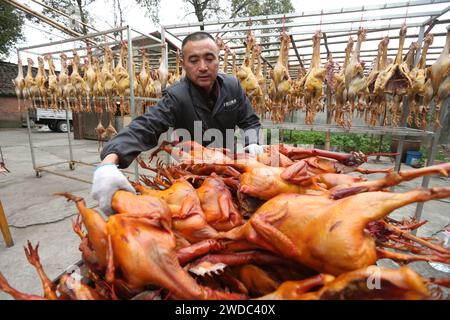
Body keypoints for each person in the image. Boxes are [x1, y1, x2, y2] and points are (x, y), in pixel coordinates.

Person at [91, 31, 263, 216]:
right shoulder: (176, 96)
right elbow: (147, 125)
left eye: (209, 58)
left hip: (230, 167)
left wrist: (252, 142)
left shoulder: (232, 86)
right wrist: (109, 162)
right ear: (184, 64)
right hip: (192, 176)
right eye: (194, 60)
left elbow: (249, 120)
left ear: (218, 60)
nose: (203, 67)